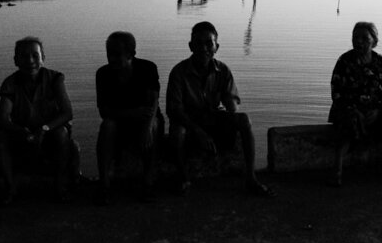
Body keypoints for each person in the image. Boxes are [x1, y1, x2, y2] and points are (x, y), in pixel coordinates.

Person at [166, 21, 274, 197]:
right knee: (177, 133)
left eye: (209, 44)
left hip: (213, 118)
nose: (204, 48)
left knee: (244, 120)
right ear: (191, 46)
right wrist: (198, 131)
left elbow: (232, 105)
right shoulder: (179, 72)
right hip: (189, 122)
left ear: (216, 47)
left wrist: (229, 105)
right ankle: (183, 178)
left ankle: (251, 177)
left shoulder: (222, 70)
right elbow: (174, 110)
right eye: (199, 44)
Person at [327, 22, 382, 186]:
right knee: (348, 123)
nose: (359, 42)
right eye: (355, 38)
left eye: (364, 38)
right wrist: (353, 109)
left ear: (374, 41)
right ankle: (337, 170)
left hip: (376, 109)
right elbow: (337, 92)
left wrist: (378, 110)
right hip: (348, 109)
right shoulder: (344, 61)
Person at [0, 36, 76, 203]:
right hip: (23, 134)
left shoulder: (55, 78)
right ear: (16, 60)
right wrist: (20, 131)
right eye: (24, 56)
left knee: (62, 133)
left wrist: (44, 129)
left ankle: (59, 185)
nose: (30, 61)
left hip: (50, 132)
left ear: (43, 58)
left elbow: (67, 113)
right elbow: (2, 119)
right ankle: (10, 188)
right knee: (0, 137)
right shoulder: (10, 83)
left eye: (35, 55)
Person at [95, 31, 162, 205]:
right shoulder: (103, 74)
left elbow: (152, 103)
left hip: (145, 119)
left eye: (117, 55)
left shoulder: (147, 68)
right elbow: (104, 111)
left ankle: (148, 183)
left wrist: (147, 128)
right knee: (107, 126)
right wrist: (132, 113)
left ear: (131, 54)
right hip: (121, 120)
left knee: (153, 126)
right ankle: (104, 185)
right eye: (109, 54)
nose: (112, 59)